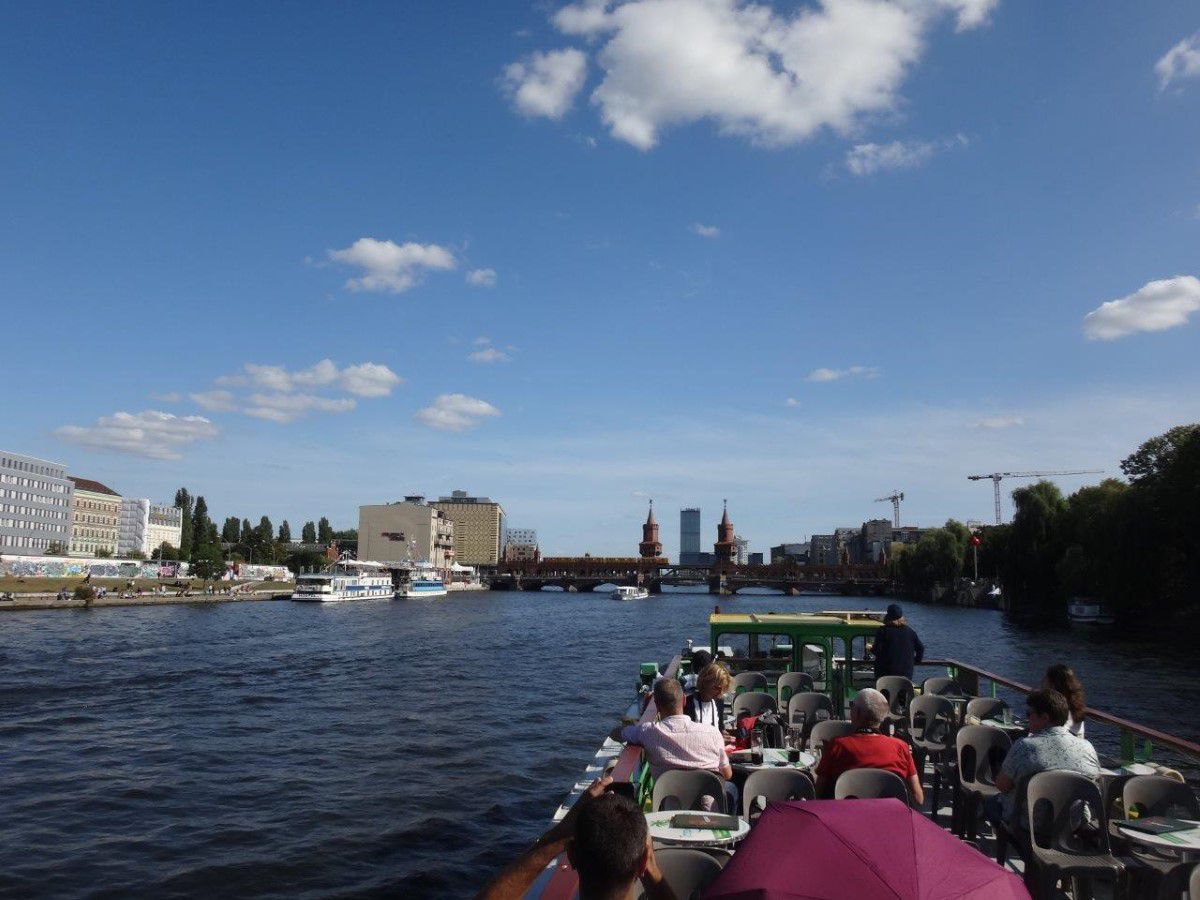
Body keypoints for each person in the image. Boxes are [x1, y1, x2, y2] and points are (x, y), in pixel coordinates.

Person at [475, 776, 677, 900]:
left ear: (571, 855)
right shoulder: (645, 862)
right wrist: (650, 865)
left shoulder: (568, 847)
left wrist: (558, 835)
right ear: (644, 860)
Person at [985, 688, 1101, 830]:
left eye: (1029, 714)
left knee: (990, 803)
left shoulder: (1024, 746)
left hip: (1029, 824)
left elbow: (1002, 785)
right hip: (1072, 824)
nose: (1027, 718)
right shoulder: (1087, 747)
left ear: (1045, 718)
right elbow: (1095, 784)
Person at [814, 688, 924, 806]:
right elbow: (919, 798)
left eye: (852, 705)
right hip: (889, 817)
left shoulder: (837, 745)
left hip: (848, 816)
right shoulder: (901, 747)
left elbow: (818, 792)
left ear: (857, 713)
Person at [869, 603, 924, 680]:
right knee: (903, 691)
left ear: (888, 617)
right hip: (905, 675)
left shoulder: (882, 632)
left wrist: (871, 649)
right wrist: (916, 661)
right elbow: (920, 648)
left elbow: (877, 651)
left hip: (885, 674)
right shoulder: (910, 632)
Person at [1042, 663, 1086, 738]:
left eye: (1046, 678)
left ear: (1053, 684)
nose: (1043, 681)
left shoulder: (1058, 709)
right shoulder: (1075, 706)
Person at [684, 661, 729, 730]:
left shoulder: (719, 702)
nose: (720, 692)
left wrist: (723, 734)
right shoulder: (688, 703)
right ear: (704, 683)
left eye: (723, 689)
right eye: (716, 688)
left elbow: (720, 727)